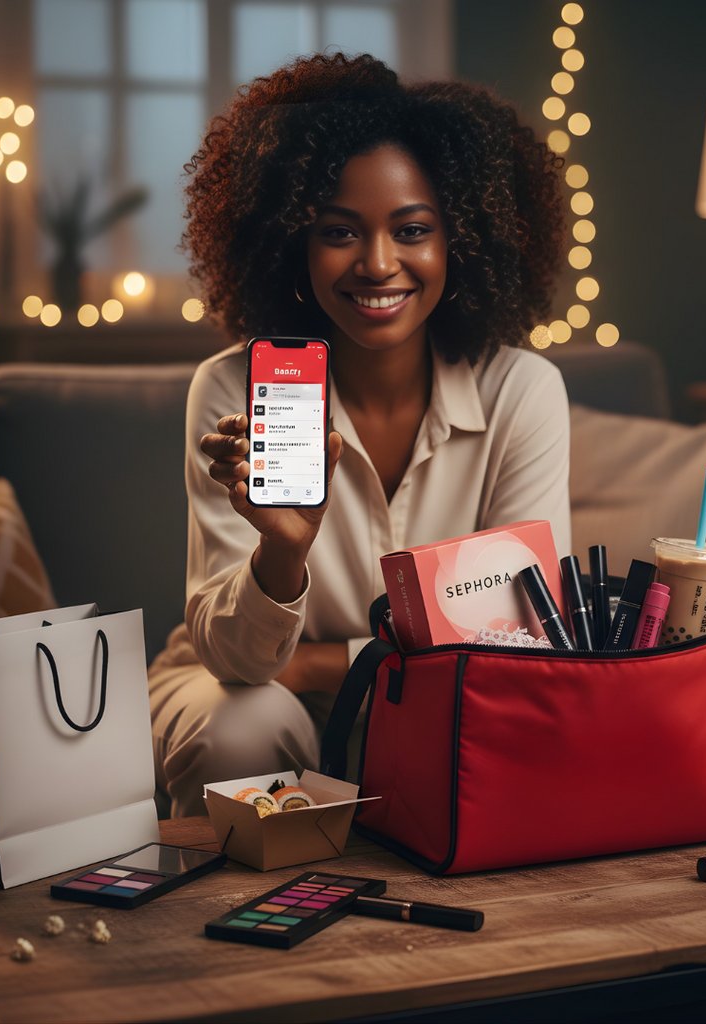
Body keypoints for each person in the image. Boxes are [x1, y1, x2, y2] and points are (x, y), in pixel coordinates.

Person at [149, 52, 571, 816]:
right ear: (293, 248)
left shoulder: (522, 393)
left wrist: (321, 665)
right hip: (234, 686)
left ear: (461, 242)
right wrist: (282, 550)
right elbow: (238, 666)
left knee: (473, 730)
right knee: (243, 728)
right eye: (340, 232)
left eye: (412, 229)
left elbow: (521, 635)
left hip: (427, 698)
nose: (378, 264)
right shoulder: (232, 388)